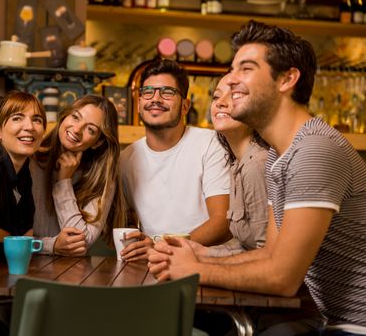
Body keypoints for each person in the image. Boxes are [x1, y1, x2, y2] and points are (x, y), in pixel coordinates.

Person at [148, 20, 366, 335]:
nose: (232, 80)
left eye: (246, 69)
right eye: (233, 69)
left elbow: (282, 278)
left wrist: (195, 269)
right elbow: (268, 255)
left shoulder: (314, 150)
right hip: (336, 323)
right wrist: (195, 257)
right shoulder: (281, 154)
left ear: (287, 79)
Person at [119, 59, 231, 261]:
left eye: (167, 92)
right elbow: (125, 217)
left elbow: (222, 222)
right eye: (148, 92)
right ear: (138, 104)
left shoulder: (210, 144)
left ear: (185, 106)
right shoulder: (127, 158)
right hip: (153, 264)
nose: (156, 99)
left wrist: (160, 247)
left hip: (207, 262)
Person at [32, 95, 126, 256]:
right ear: (64, 116)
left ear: (98, 142)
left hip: (73, 273)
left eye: (90, 129)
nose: (76, 130)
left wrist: (63, 181)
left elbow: (81, 240)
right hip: (22, 265)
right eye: (75, 117)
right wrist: (51, 245)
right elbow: (9, 236)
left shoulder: (101, 177)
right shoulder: (31, 158)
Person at [192, 75, 269, 258]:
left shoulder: (257, 165)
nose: (220, 103)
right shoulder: (237, 164)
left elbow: (267, 254)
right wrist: (200, 251)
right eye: (217, 96)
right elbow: (245, 246)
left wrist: (202, 263)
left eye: (234, 95)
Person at [0, 91, 46, 264]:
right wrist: (2, 235)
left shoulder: (24, 172)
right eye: (17, 118)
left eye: (37, 120)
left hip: (2, 268)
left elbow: (25, 234)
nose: (29, 126)